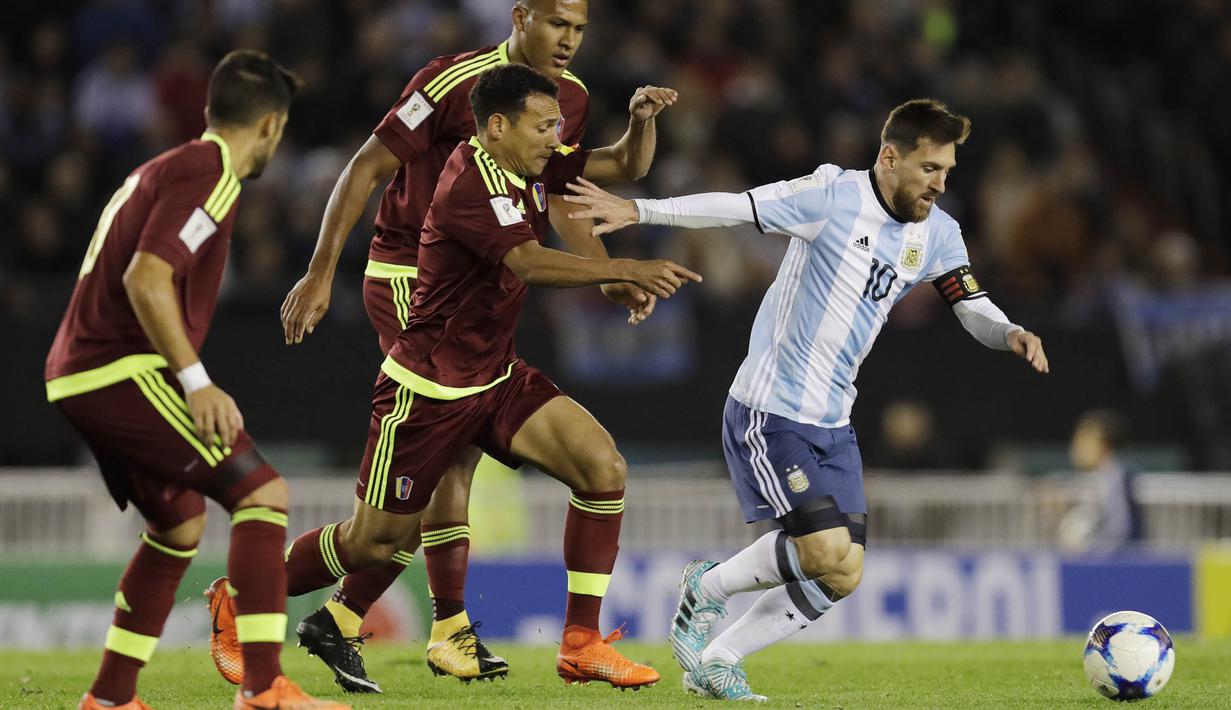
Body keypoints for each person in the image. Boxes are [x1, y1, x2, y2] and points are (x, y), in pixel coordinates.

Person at [215, 62, 694, 690]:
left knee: (602, 468)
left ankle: (579, 642)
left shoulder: (532, 162)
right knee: (372, 544)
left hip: (495, 378)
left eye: (557, 126)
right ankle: (242, 595)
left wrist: (640, 124)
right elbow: (527, 262)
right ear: (497, 127)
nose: (558, 137)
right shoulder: (468, 181)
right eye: (544, 126)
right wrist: (625, 269)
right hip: (428, 393)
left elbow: (621, 166)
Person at [564, 98, 1051, 701]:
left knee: (844, 572)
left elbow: (969, 302)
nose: (940, 184)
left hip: (834, 421)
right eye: (929, 169)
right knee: (822, 548)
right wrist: (639, 207)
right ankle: (707, 586)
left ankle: (718, 659)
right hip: (771, 410)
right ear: (890, 156)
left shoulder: (939, 233)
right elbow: (735, 208)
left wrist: (1009, 332)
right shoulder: (831, 196)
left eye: (947, 171)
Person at [44, 50, 348, 710]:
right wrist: (196, 380)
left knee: (180, 525)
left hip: (78, 371)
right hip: (117, 369)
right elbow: (145, 278)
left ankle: (110, 699)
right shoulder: (212, 173)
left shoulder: (167, 168)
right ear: (271, 126)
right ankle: (264, 688)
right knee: (263, 494)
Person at [1065, 409, 1143, 551]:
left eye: (1084, 443)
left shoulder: (1115, 477)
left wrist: (1092, 549)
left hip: (1121, 562)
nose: (1077, 449)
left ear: (1103, 446)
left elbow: (1121, 528)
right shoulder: (1098, 477)